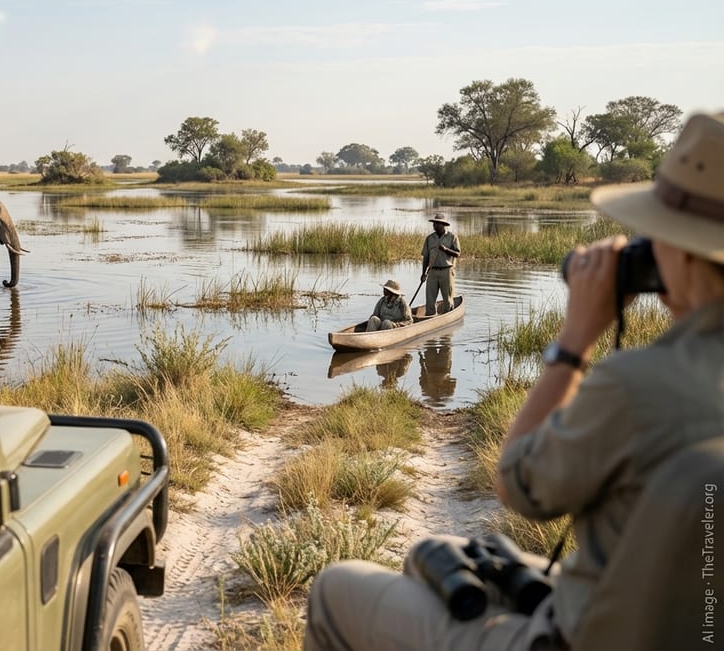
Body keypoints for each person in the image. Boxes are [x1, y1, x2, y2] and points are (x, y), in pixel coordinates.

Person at [303, 111, 724, 651]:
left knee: (336, 589)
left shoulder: (638, 383)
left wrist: (575, 341)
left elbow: (519, 484)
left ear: (682, 255)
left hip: (584, 635)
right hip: (659, 616)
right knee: (430, 559)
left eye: (655, 236)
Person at [421, 212, 460, 315]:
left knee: (447, 299)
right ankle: (430, 318)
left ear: (443, 225)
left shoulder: (452, 237)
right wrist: (423, 273)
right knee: (430, 299)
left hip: (446, 271)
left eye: (438, 223)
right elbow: (426, 257)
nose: (435, 225)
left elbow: (457, 254)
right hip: (432, 271)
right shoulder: (429, 238)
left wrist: (445, 249)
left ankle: (447, 317)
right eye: (434, 223)